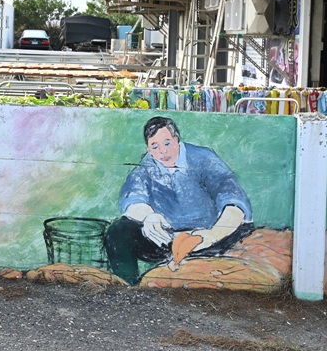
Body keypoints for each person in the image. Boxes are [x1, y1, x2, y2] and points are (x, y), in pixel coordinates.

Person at [104, 116, 253, 285]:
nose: (163, 151)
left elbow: (233, 198)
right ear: (149, 149)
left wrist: (213, 234)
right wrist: (148, 216)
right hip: (166, 239)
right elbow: (133, 196)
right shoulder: (147, 165)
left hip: (208, 238)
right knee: (118, 231)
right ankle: (128, 290)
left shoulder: (203, 158)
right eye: (155, 146)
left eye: (167, 143)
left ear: (177, 140)